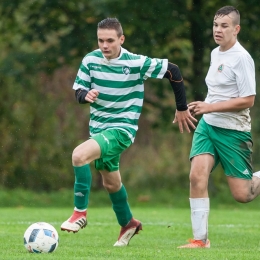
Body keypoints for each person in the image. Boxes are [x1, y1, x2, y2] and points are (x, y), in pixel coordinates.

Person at [60, 17, 197, 247]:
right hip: (99, 130)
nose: (105, 45)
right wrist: (86, 95)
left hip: (122, 130)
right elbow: (78, 91)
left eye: (110, 40)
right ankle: (129, 223)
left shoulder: (135, 62)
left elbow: (172, 70)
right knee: (111, 183)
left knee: (78, 155)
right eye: (101, 40)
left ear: (121, 39)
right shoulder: (90, 60)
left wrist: (182, 107)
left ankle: (79, 214)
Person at [178, 6, 260, 249]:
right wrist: (188, 107)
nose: (218, 30)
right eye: (215, 25)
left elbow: (248, 100)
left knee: (242, 195)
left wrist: (210, 108)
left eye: (224, 26)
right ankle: (200, 241)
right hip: (208, 127)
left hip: (234, 131)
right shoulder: (215, 53)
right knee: (196, 176)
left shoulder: (242, 58)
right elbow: (215, 93)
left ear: (236, 29)